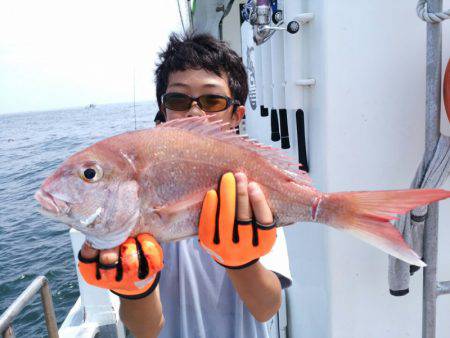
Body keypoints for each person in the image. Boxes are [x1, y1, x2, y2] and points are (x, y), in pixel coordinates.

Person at [78, 32, 292, 338]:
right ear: (163, 112)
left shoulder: (250, 187)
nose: (195, 112)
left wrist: (242, 262)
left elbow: (267, 307)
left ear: (237, 116)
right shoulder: (136, 202)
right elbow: (146, 329)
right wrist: (135, 289)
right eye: (178, 99)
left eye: (212, 100)